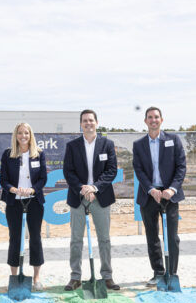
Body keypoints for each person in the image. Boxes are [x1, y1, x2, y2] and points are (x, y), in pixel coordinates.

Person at [63, 109, 120, 291]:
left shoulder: (107, 144)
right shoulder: (72, 146)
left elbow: (111, 170)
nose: (88, 123)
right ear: (81, 124)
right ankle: (75, 277)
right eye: (84, 121)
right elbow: (68, 171)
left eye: (91, 120)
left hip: (100, 197)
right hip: (78, 198)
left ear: (97, 122)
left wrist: (94, 188)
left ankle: (107, 276)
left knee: (104, 239)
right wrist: (83, 188)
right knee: (76, 240)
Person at [132, 107, 187, 286]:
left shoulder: (173, 140)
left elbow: (181, 167)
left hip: (169, 195)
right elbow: (138, 170)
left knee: (172, 236)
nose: (153, 120)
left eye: (156, 117)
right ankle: (158, 272)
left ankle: (171, 273)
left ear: (161, 120)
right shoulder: (139, 144)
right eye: (150, 117)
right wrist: (151, 189)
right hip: (149, 196)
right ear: (145, 121)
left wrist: (171, 189)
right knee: (152, 236)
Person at [0, 123, 48, 290]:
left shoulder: (39, 154)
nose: (23, 136)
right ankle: (14, 277)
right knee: (15, 238)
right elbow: (3, 180)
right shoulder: (8, 154)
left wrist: (32, 189)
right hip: (14, 202)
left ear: (30, 135)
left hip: (34, 201)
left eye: (26, 133)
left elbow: (43, 179)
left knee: (35, 238)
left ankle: (37, 278)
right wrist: (14, 190)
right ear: (16, 135)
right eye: (20, 133)